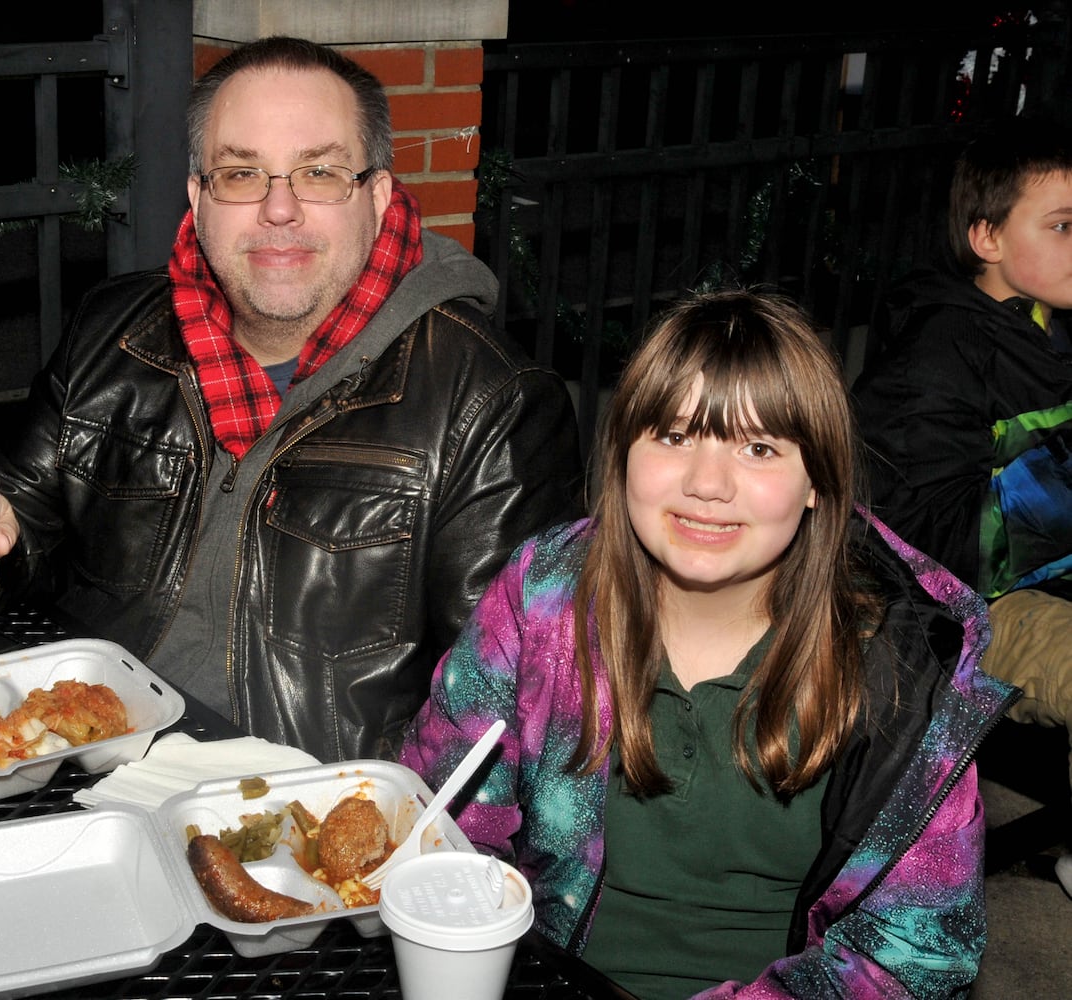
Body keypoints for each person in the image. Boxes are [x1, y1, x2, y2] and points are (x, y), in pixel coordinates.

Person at [0, 36, 582, 764]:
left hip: (305, 817)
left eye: (318, 172)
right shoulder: (114, 335)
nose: (277, 208)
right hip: (76, 761)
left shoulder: (490, 401)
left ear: (375, 197)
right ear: (198, 198)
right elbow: (7, 527)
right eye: (240, 173)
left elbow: (505, 705)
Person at [400, 289, 1017, 998]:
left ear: (818, 481)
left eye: (757, 448)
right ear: (623, 450)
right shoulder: (541, 596)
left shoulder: (903, 663)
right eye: (672, 435)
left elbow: (915, 954)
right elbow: (444, 814)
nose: (706, 485)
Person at [850, 116, 1072, 897]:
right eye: (1062, 225)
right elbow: (931, 549)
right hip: (961, 609)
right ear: (986, 238)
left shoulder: (1050, 324)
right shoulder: (935, 357)